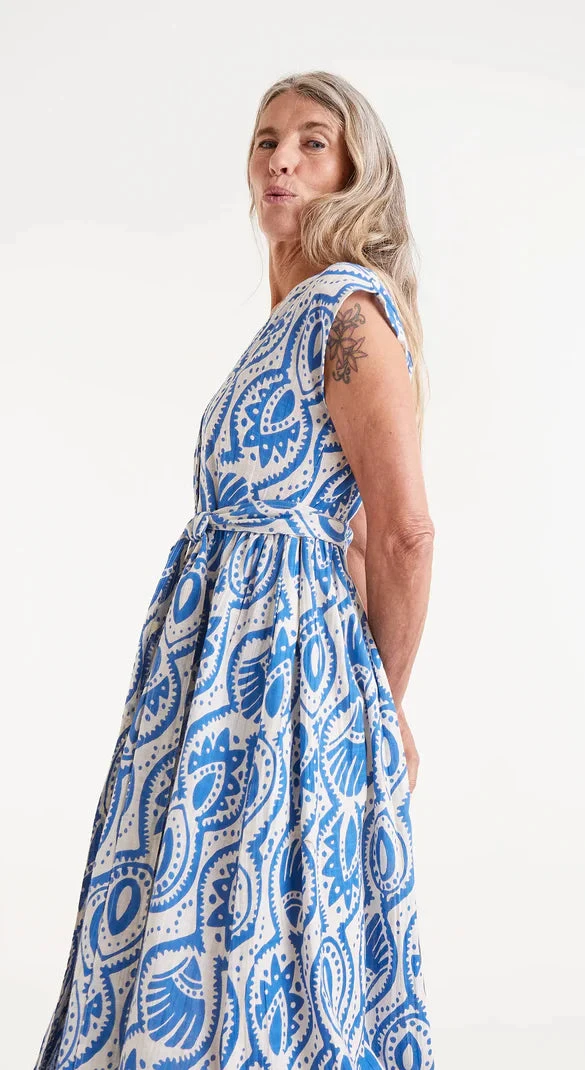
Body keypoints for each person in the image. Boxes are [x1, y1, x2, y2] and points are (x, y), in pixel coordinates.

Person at [34, 69, 436, 1070]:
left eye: (311, 141)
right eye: (266, 140)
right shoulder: (290, 320)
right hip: (219, 675)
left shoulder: (349, 316)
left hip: (283, 677)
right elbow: (347, 530)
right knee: (206, 917)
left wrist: (378, 705)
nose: (280, 160)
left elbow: (401, 533)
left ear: (354, 172)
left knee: (265, 922)